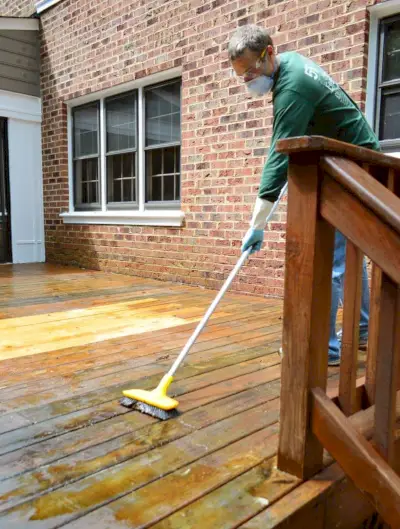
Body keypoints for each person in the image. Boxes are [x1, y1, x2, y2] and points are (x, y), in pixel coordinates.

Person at [228, 25, 379, 366]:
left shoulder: (292, 88)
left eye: (251, 70)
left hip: (355, 170)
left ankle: (324, 349)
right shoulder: (292, 63)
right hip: (354, 163)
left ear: (270, 51)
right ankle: (364, 331)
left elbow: (278, 156)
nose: (248, 80)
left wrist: (258, 223)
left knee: (332, 260)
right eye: (241, 75)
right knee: (349, 254)